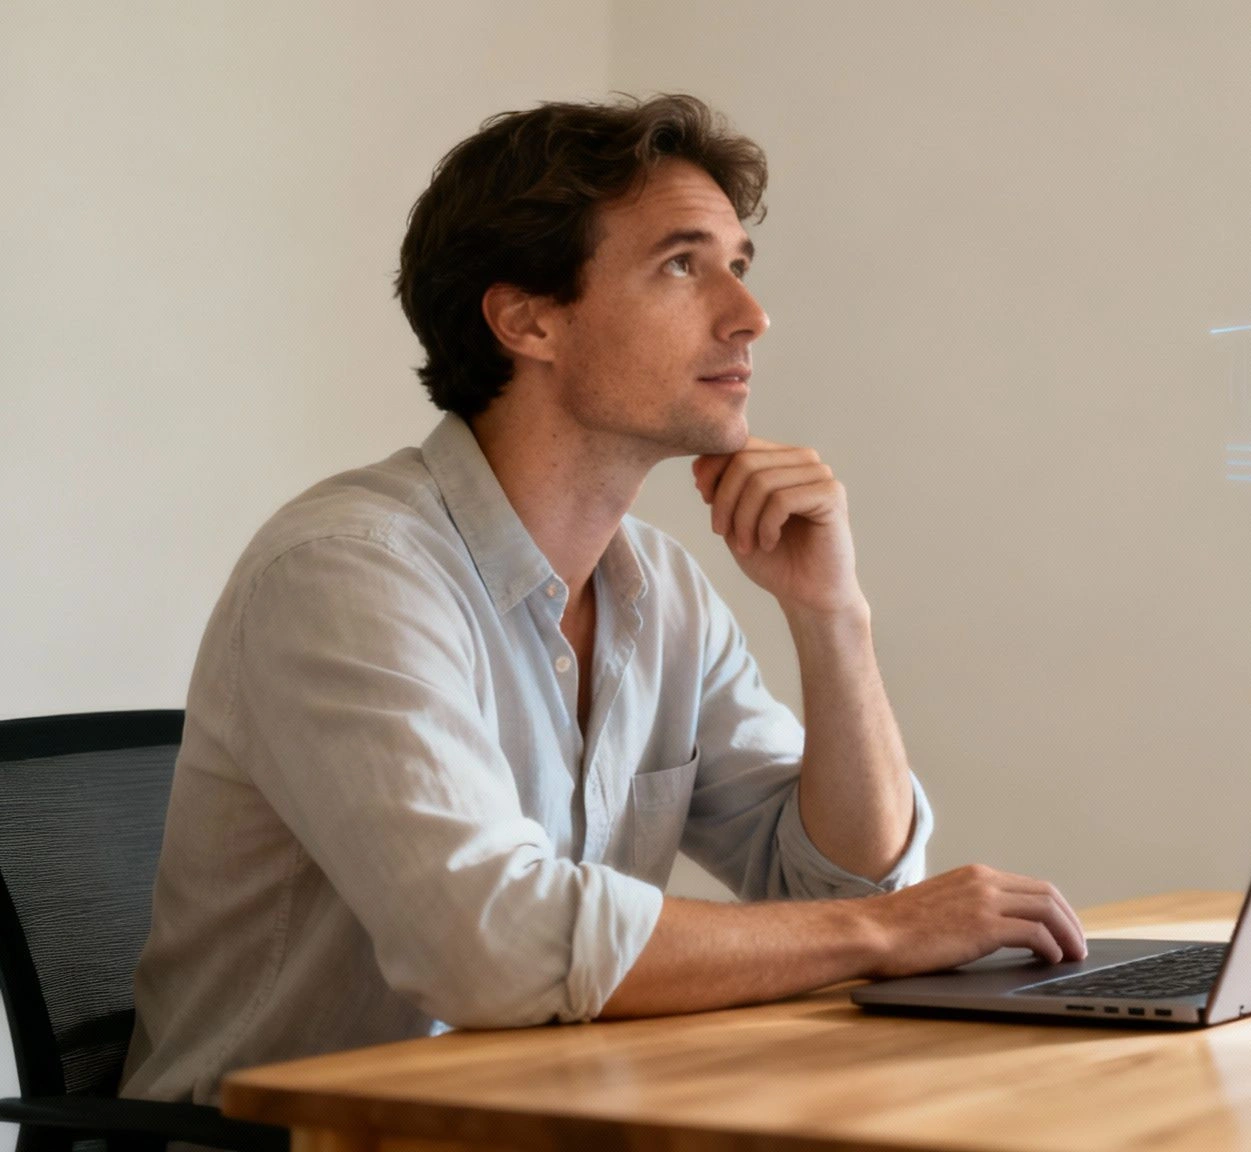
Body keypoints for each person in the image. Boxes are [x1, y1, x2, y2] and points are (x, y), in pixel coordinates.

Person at [121, 93, 1085, 1108]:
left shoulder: (658, 589)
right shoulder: (346, 572)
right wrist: (887, 933)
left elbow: (846, 890)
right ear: (526, 318)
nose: (748, 315)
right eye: (682, 264)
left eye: (739, 266)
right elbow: (489, 946)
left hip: (532, 1124)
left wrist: (832, 617)